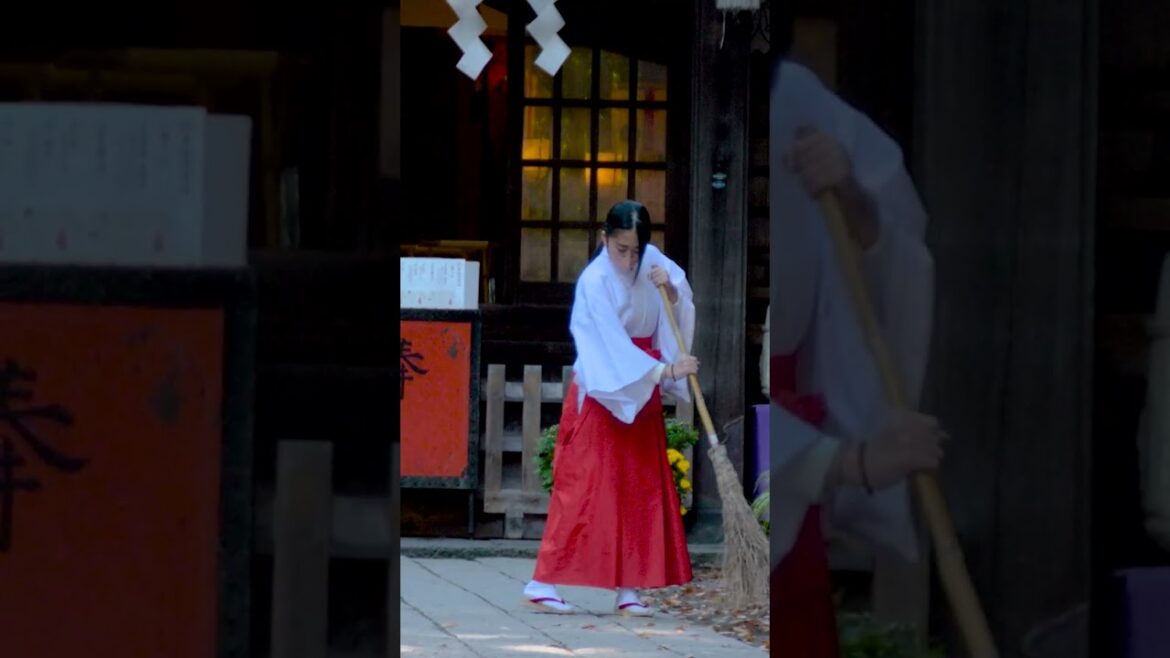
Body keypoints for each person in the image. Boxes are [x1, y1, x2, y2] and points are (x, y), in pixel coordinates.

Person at [768, 58, 947, 656]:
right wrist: (848, 462)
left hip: (794, 548)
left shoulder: (792, 98)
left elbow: (894, 246)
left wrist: (857, 207)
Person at [522, 200, 698, 616]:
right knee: (584, 487)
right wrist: (666, 369)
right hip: (608, 387)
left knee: (639, 488)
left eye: (636, 251)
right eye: (621, 249)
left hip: (644, 383)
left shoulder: (652, 261)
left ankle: (630, 588)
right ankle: (542, 580)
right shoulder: (594, 280)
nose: (630, 259)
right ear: (604, 239)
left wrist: (670, 291)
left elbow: (679, 303)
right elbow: (605, 345)